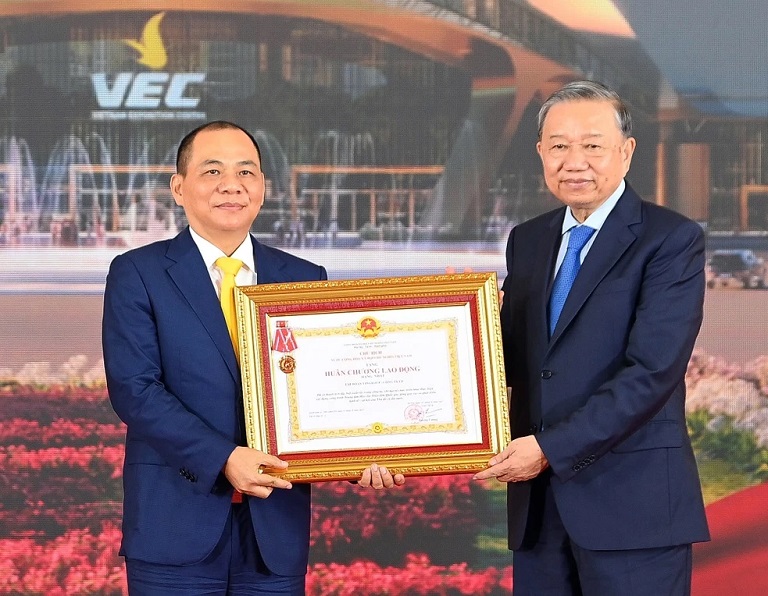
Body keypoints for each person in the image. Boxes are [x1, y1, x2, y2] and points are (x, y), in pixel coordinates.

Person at [102, 121, 403, 595]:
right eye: (213, 171)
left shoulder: (303, 277)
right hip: (173, 524)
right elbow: (135, 390)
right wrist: (224, 458)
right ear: (178, 188)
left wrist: (363, 454)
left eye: (246, 171)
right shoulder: (138, 273)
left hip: (273, 531)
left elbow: (328, 390)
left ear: (263, 187)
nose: (232, 185)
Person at [474, 81, 710, 595]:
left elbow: (651, 373)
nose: (574, 161)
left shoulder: (670, 240)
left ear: (626, 151)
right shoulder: (528, 239)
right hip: (539, 514)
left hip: (634, 510)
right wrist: (459, 323)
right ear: (541, 151)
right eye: (559, 145)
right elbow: (515, 359)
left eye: (592, 145)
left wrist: (549, 448)